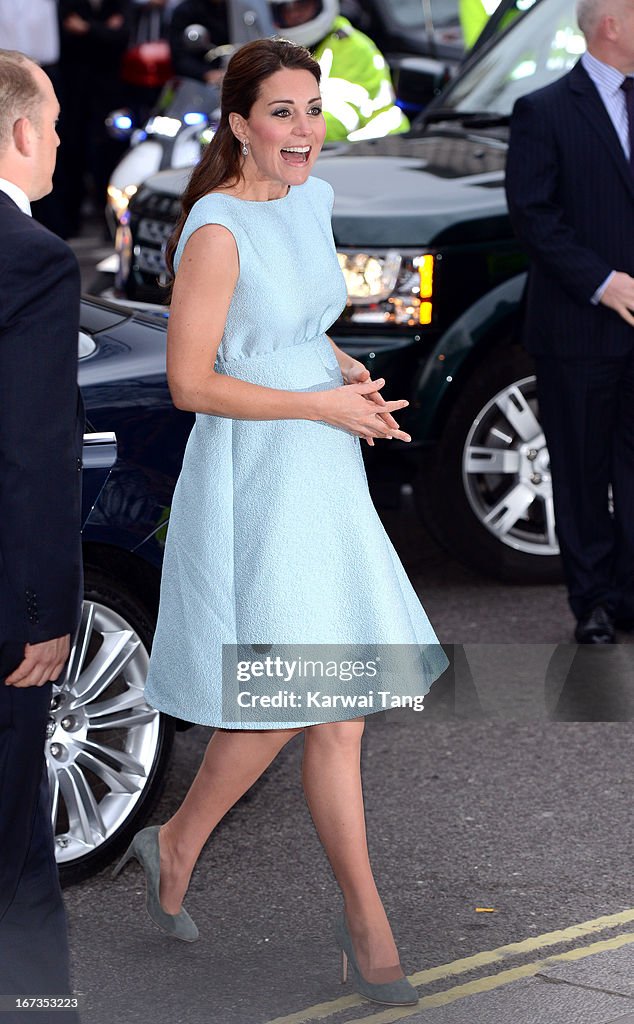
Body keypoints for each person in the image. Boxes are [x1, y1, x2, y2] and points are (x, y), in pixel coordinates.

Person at [111, 37, 447, 1008]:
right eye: (284, 113)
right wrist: (315, 402)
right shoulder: (213, 229)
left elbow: (291, 317)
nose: (307, 130)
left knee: (328, 705)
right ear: (238, 124)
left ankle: (181, 848)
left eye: (312, 108)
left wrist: (334, 363)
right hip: (260, 473)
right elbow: (189, 381)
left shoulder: (314, 199)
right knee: (309, 698)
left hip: (323, 462)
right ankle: (360, 926)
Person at [505, 0, 634, 644]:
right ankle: (596, 604)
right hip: (578, 330)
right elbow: (533, 216)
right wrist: (603, 283)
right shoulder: (545, 110)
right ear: (609, 23)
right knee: (581, 471)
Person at [0, 50, 84, 1019]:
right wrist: (39, 615)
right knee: (16, 857)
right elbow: (29, 453)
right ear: (22, 134)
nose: (59, 136)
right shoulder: (30, 259)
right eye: (54, 121)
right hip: (5, 620)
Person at [269, 0, 409, 141]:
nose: (294, 14)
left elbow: (342, 117)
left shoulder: (352, 48)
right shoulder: (291, 52)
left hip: (384, 147)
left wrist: (276, 130)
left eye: (303, 6)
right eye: (286, 10)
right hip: (342, 151)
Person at [57, 0, 131, 235]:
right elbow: (66, 35)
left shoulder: (120, 5)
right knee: (73, 151)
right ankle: (70, 221)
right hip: (75, 91)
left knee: (109, 153)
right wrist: (103, 31)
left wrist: (87, 29)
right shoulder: (69, 3)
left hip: (110, 93)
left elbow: (121, 37)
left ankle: (110, 221)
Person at [168, 0, 230, 84]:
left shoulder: (236, 11)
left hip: (230, 76)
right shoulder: (186, 10)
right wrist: (206, 74)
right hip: (196, 83)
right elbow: (179, 56)